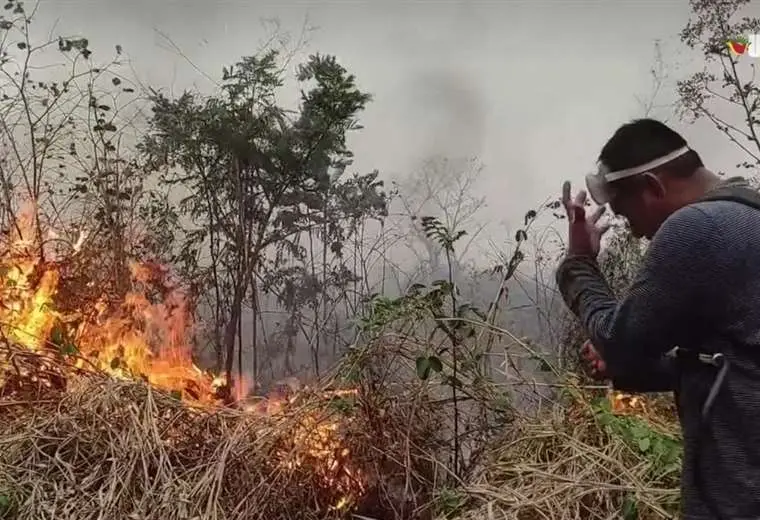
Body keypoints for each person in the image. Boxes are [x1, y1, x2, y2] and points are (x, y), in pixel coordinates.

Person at [556, 118, 760, 520]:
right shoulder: (747, 221)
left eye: (626, 214)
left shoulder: (698, 228)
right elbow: (730, 361)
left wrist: (578, 264)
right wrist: (634, 367)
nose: (633, 233)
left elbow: (618, 340)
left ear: (653, 187)